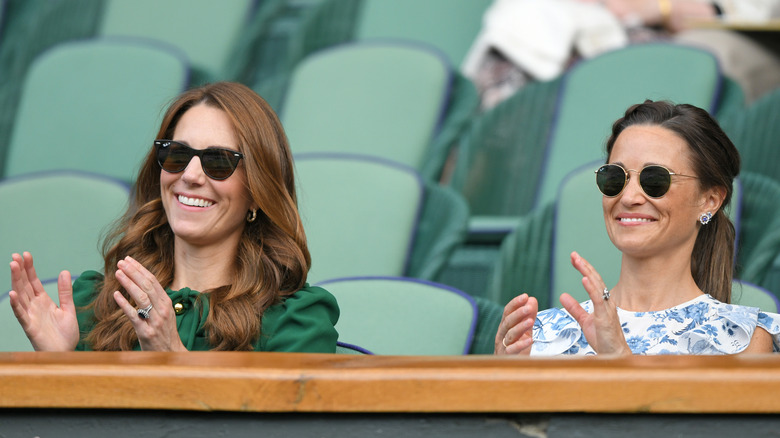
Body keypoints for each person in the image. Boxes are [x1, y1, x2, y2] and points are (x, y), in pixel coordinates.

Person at [8, 81, 339, 352]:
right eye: (177, 154)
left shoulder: (295, 321)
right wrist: (58, 364)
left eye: (219, 161)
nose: (191, 175)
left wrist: (172, 358)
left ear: (257, 192)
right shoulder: (96, 305)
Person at [495, 100, 780, 355]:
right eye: (614, 178)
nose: (628, 198)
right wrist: (504, 386)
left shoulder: (743, 340)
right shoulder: (541, 335)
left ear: (710, 201)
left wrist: (621, 362)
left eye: (655, 180)